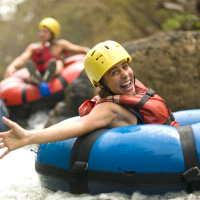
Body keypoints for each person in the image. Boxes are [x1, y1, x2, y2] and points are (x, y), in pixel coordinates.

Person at [0, 40, 179, 159]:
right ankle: (42, 78)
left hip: (172, 145)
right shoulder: (108, 108)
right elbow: (79, 125)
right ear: (101, 83)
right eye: (114, 72)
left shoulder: (131, 91)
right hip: (166, 156)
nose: (125, 75)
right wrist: (28, 137)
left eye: (125, 66)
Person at [3, 17, 90, 83]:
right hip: (39, 72)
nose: (41, 34)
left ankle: (49, 74)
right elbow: (22, 58)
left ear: (52, 34)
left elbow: (80, 50)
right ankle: (36, 78)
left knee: (58, 63)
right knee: (29, 74)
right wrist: (12, 66)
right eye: (41, 31)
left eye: (45, 32)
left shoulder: (60, 44)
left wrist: (95, 53)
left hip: (56, 74)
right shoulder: (33, 47)